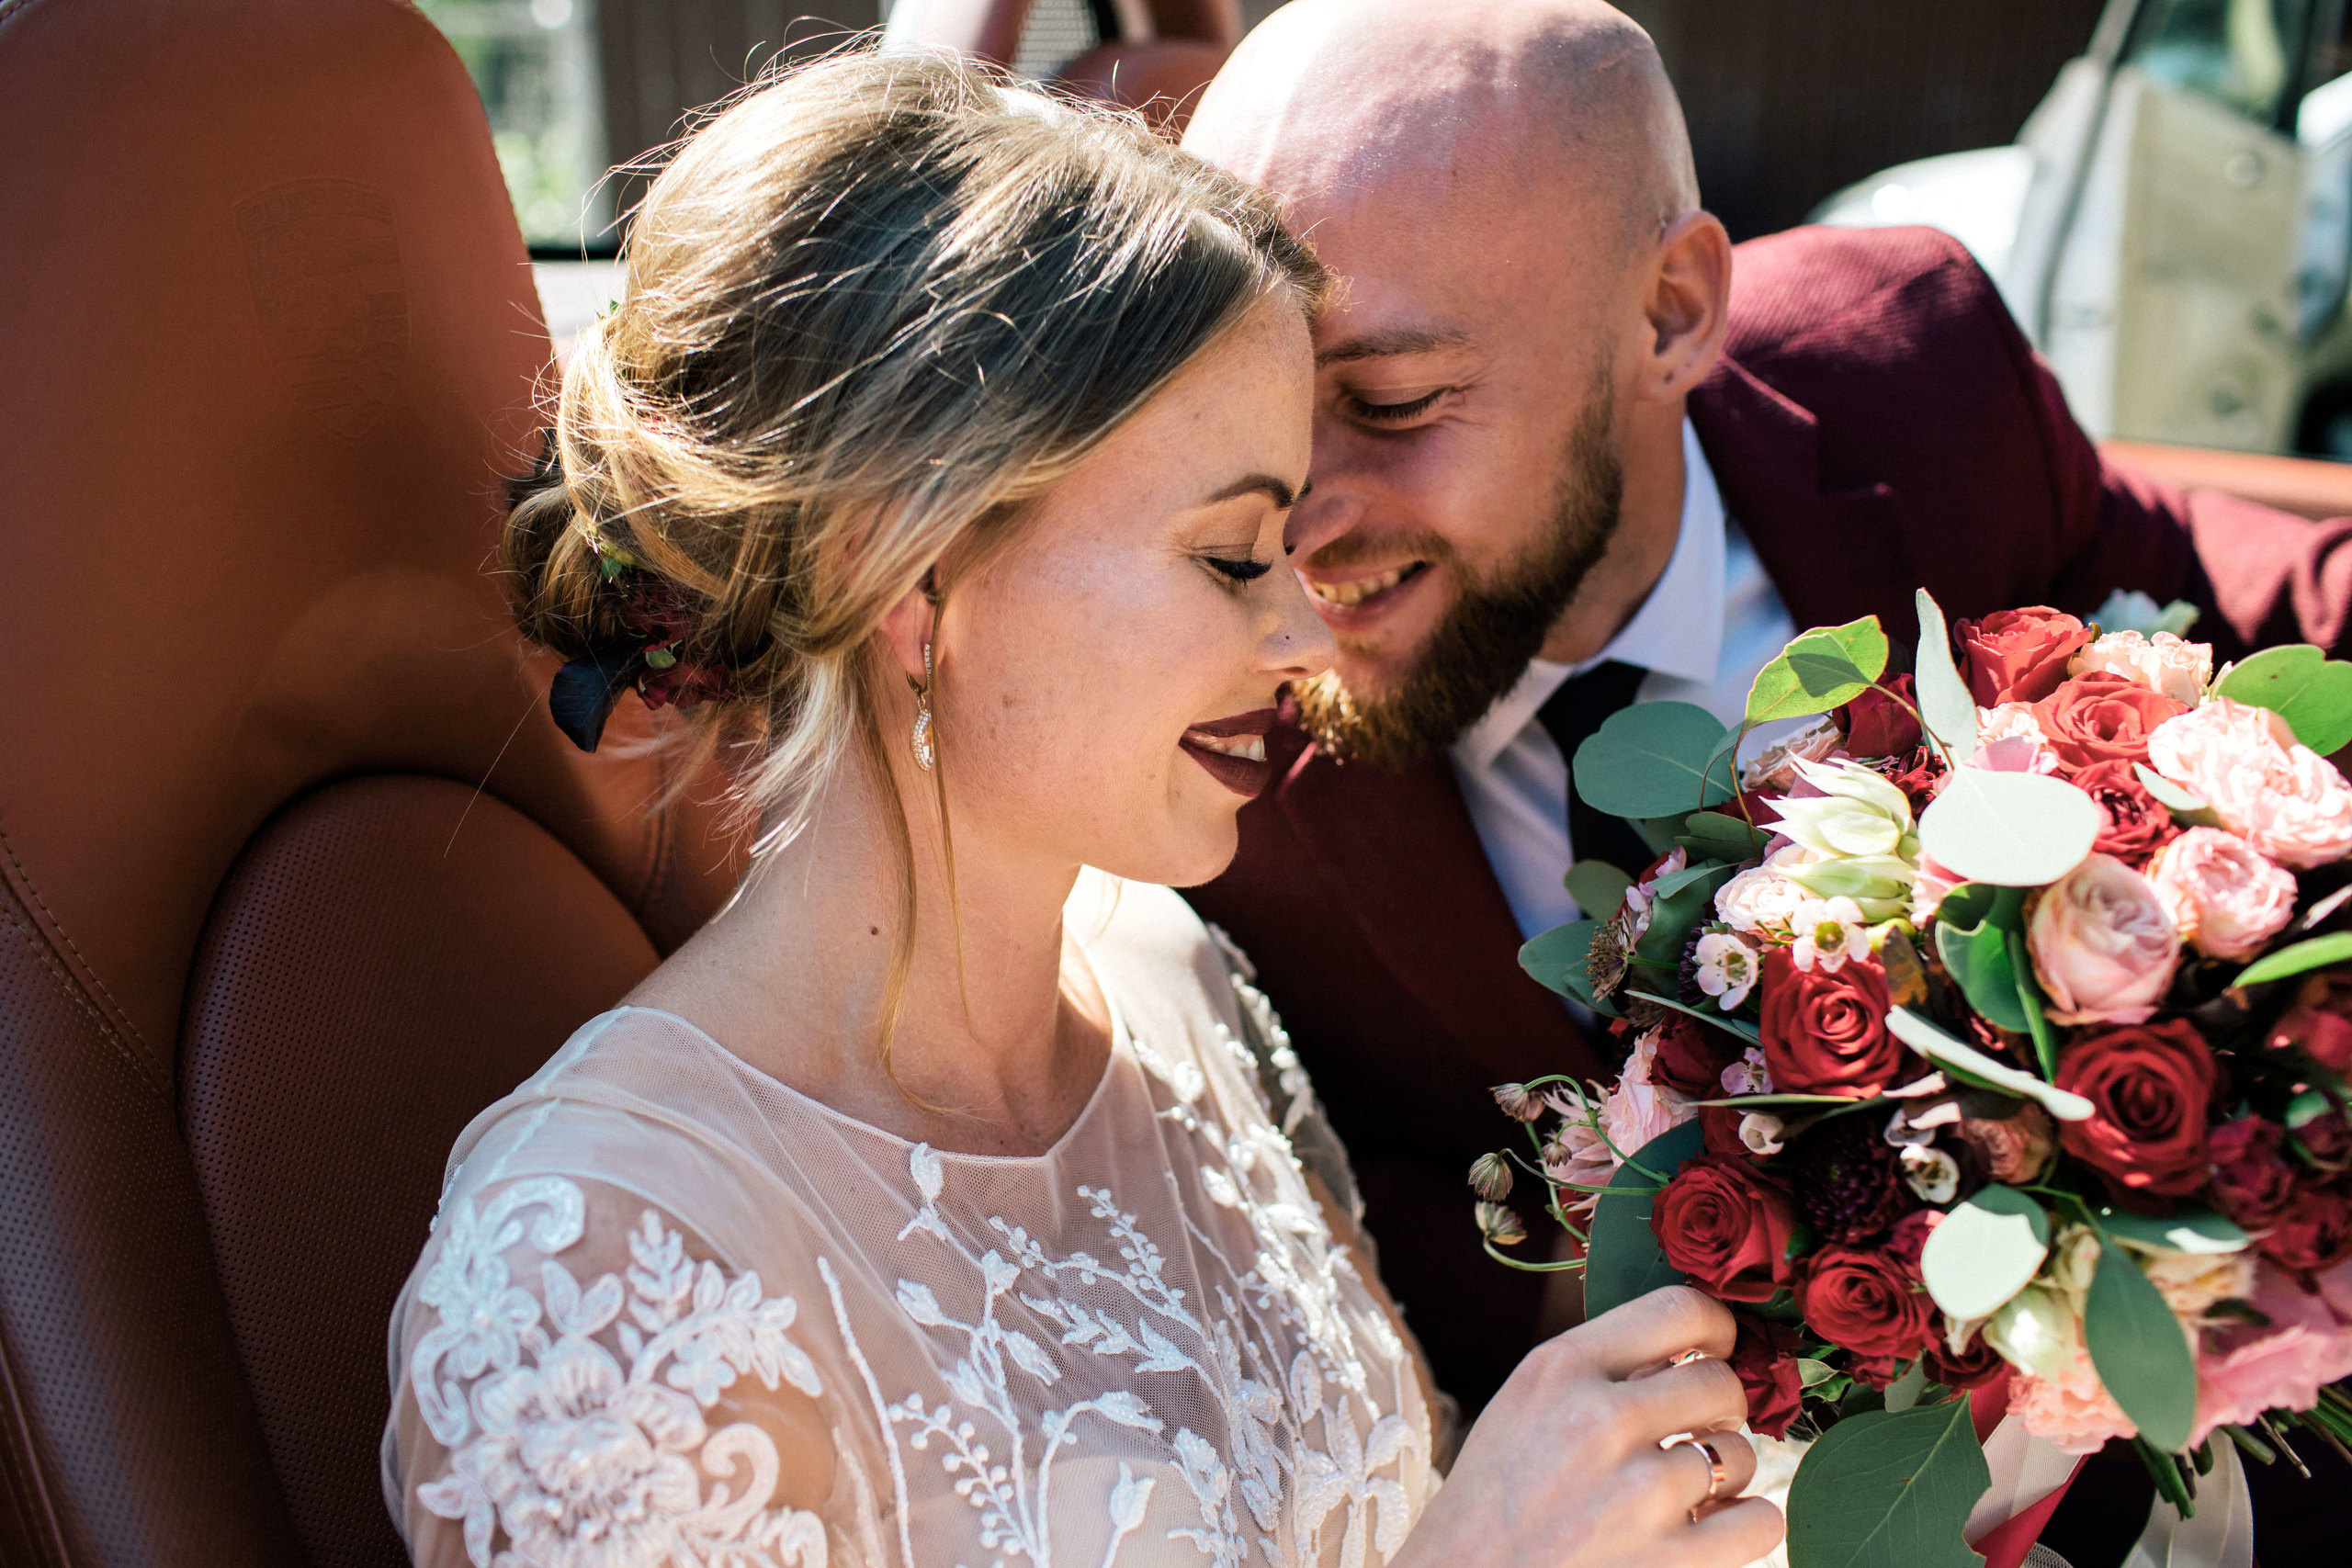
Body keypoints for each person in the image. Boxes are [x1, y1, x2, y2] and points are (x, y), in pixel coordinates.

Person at [380, 50, 1783, 1568]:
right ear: (911, 578)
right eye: (1236, 555)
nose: (1309, 636)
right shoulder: (606, 1270)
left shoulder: (1178, 979)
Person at [1179, 0, 2352, 1426]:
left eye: (1395, 400)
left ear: (1670, 313)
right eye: (1247, 403)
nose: (1295, 518)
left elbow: (2192, 570)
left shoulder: (1907, 374)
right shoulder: (1193, 688)